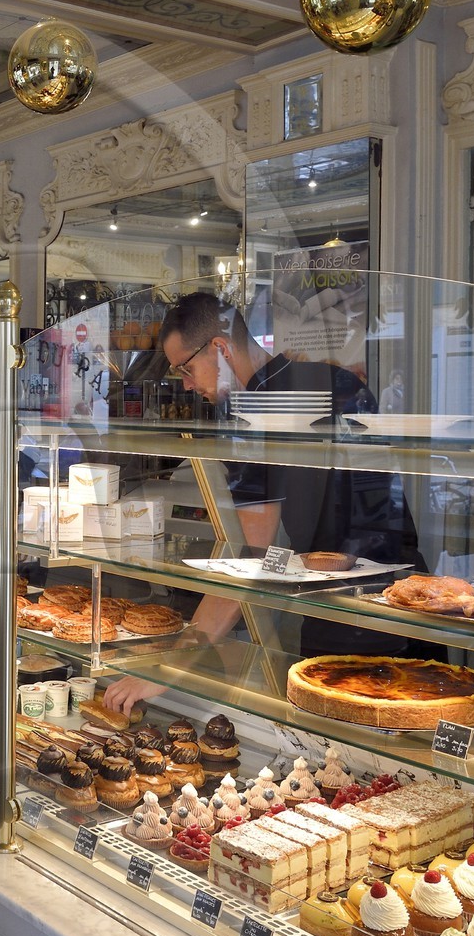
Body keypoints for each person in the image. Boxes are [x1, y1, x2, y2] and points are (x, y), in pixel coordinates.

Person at [106, 291, 428, 715]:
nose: (186, 384)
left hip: (346, 625)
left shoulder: (251, 417)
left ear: (219, 349)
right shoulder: (336, 380)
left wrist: (168, 665)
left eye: (186, 368)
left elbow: (251, 561)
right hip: (410, 599)